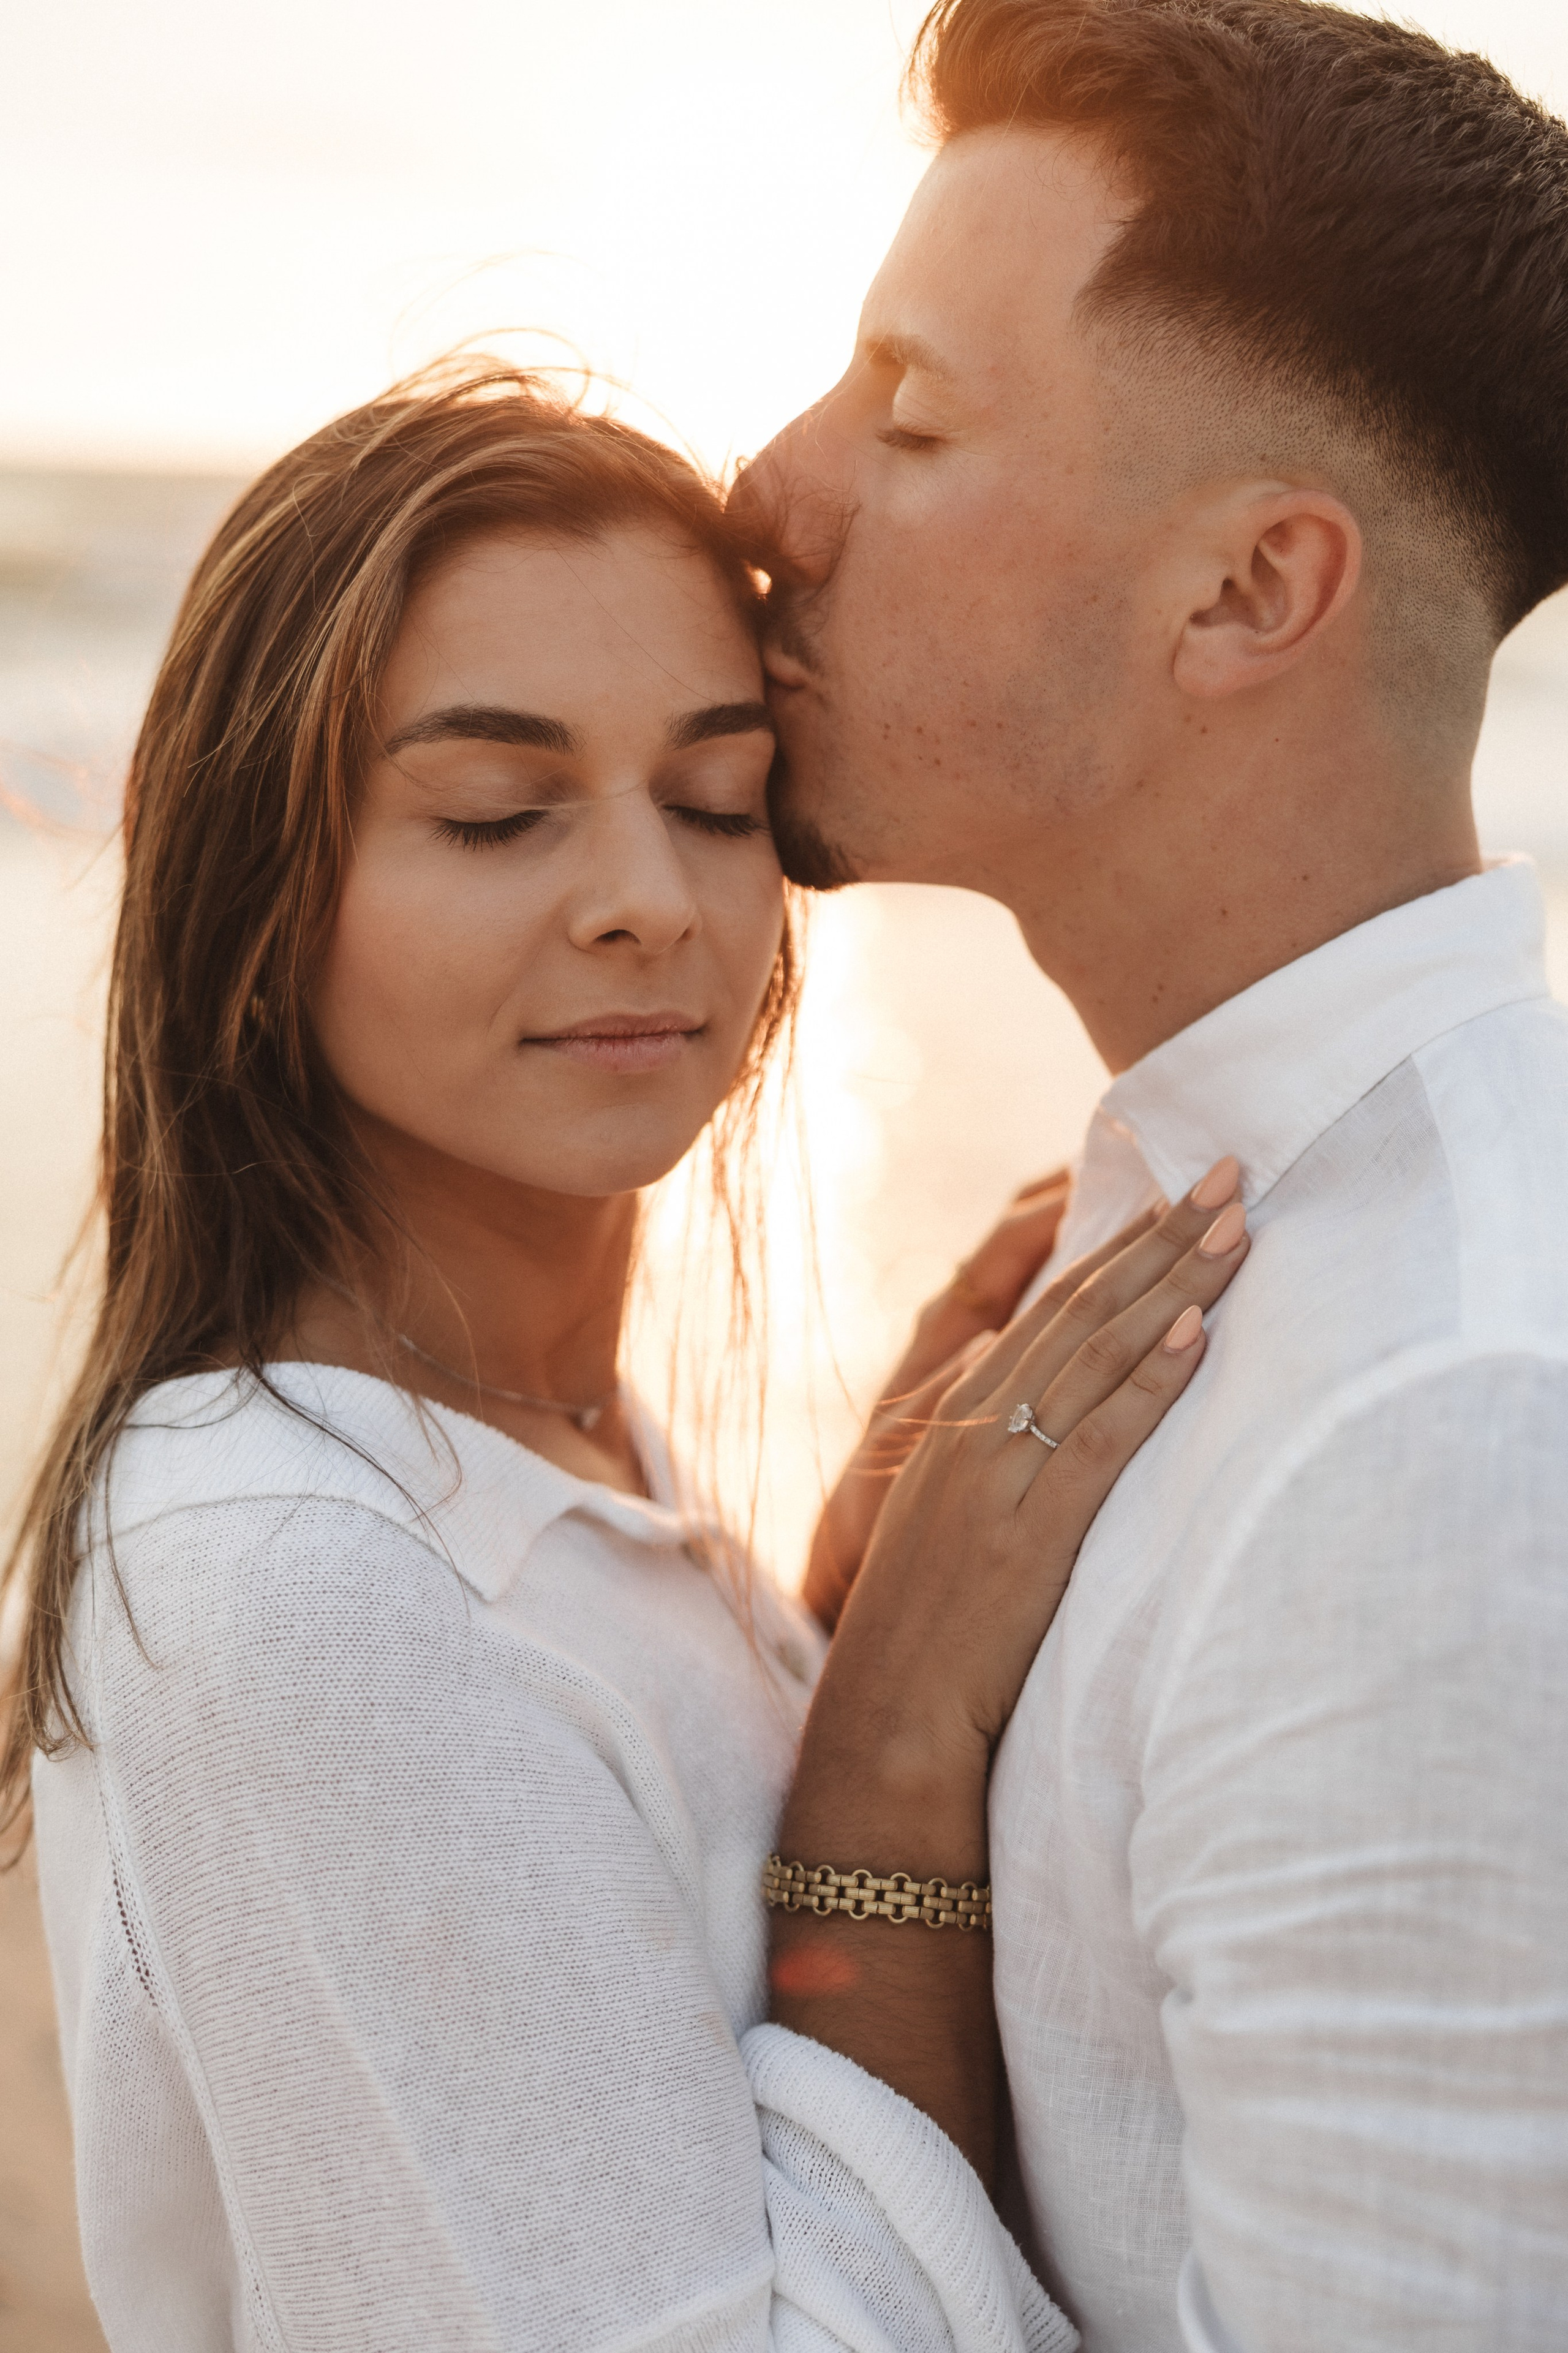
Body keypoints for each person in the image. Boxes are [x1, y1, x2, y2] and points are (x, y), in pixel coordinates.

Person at [1, 365, 1251, 2352]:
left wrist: (818, 1615)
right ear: (256, 882)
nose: (648, 905)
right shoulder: (291, 1582)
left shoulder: (550, 1444)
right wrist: (895, 1732)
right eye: (494, 815)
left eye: (717, 799)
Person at [740, 1, 1568, 2347]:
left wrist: (881, 1785)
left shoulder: (1449, 1430)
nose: (767, 492)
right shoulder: (1207, 1239)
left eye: (907, 420)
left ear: (1243, 597)